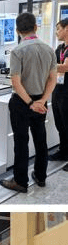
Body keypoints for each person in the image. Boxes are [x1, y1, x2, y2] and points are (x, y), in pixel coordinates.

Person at [0, 12, 57, 193]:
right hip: (41, 100)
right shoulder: (49, 49)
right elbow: (53, 79)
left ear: (17, 31)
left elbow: (15, 82)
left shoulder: (18, 51)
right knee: (41, 140)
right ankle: (41, 176)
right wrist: (42, 100)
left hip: (21, 102)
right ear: (35, 27)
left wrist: (31, 103)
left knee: (21, 142)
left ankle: (20, 181)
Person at [52, 19, 68, 164]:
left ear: (67, 28)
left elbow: (65, 67)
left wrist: (46, 64)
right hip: (58, 90)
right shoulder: (60, 48)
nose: (56, 32)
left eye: (58, 29)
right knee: (60, 124)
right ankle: (63, 152)